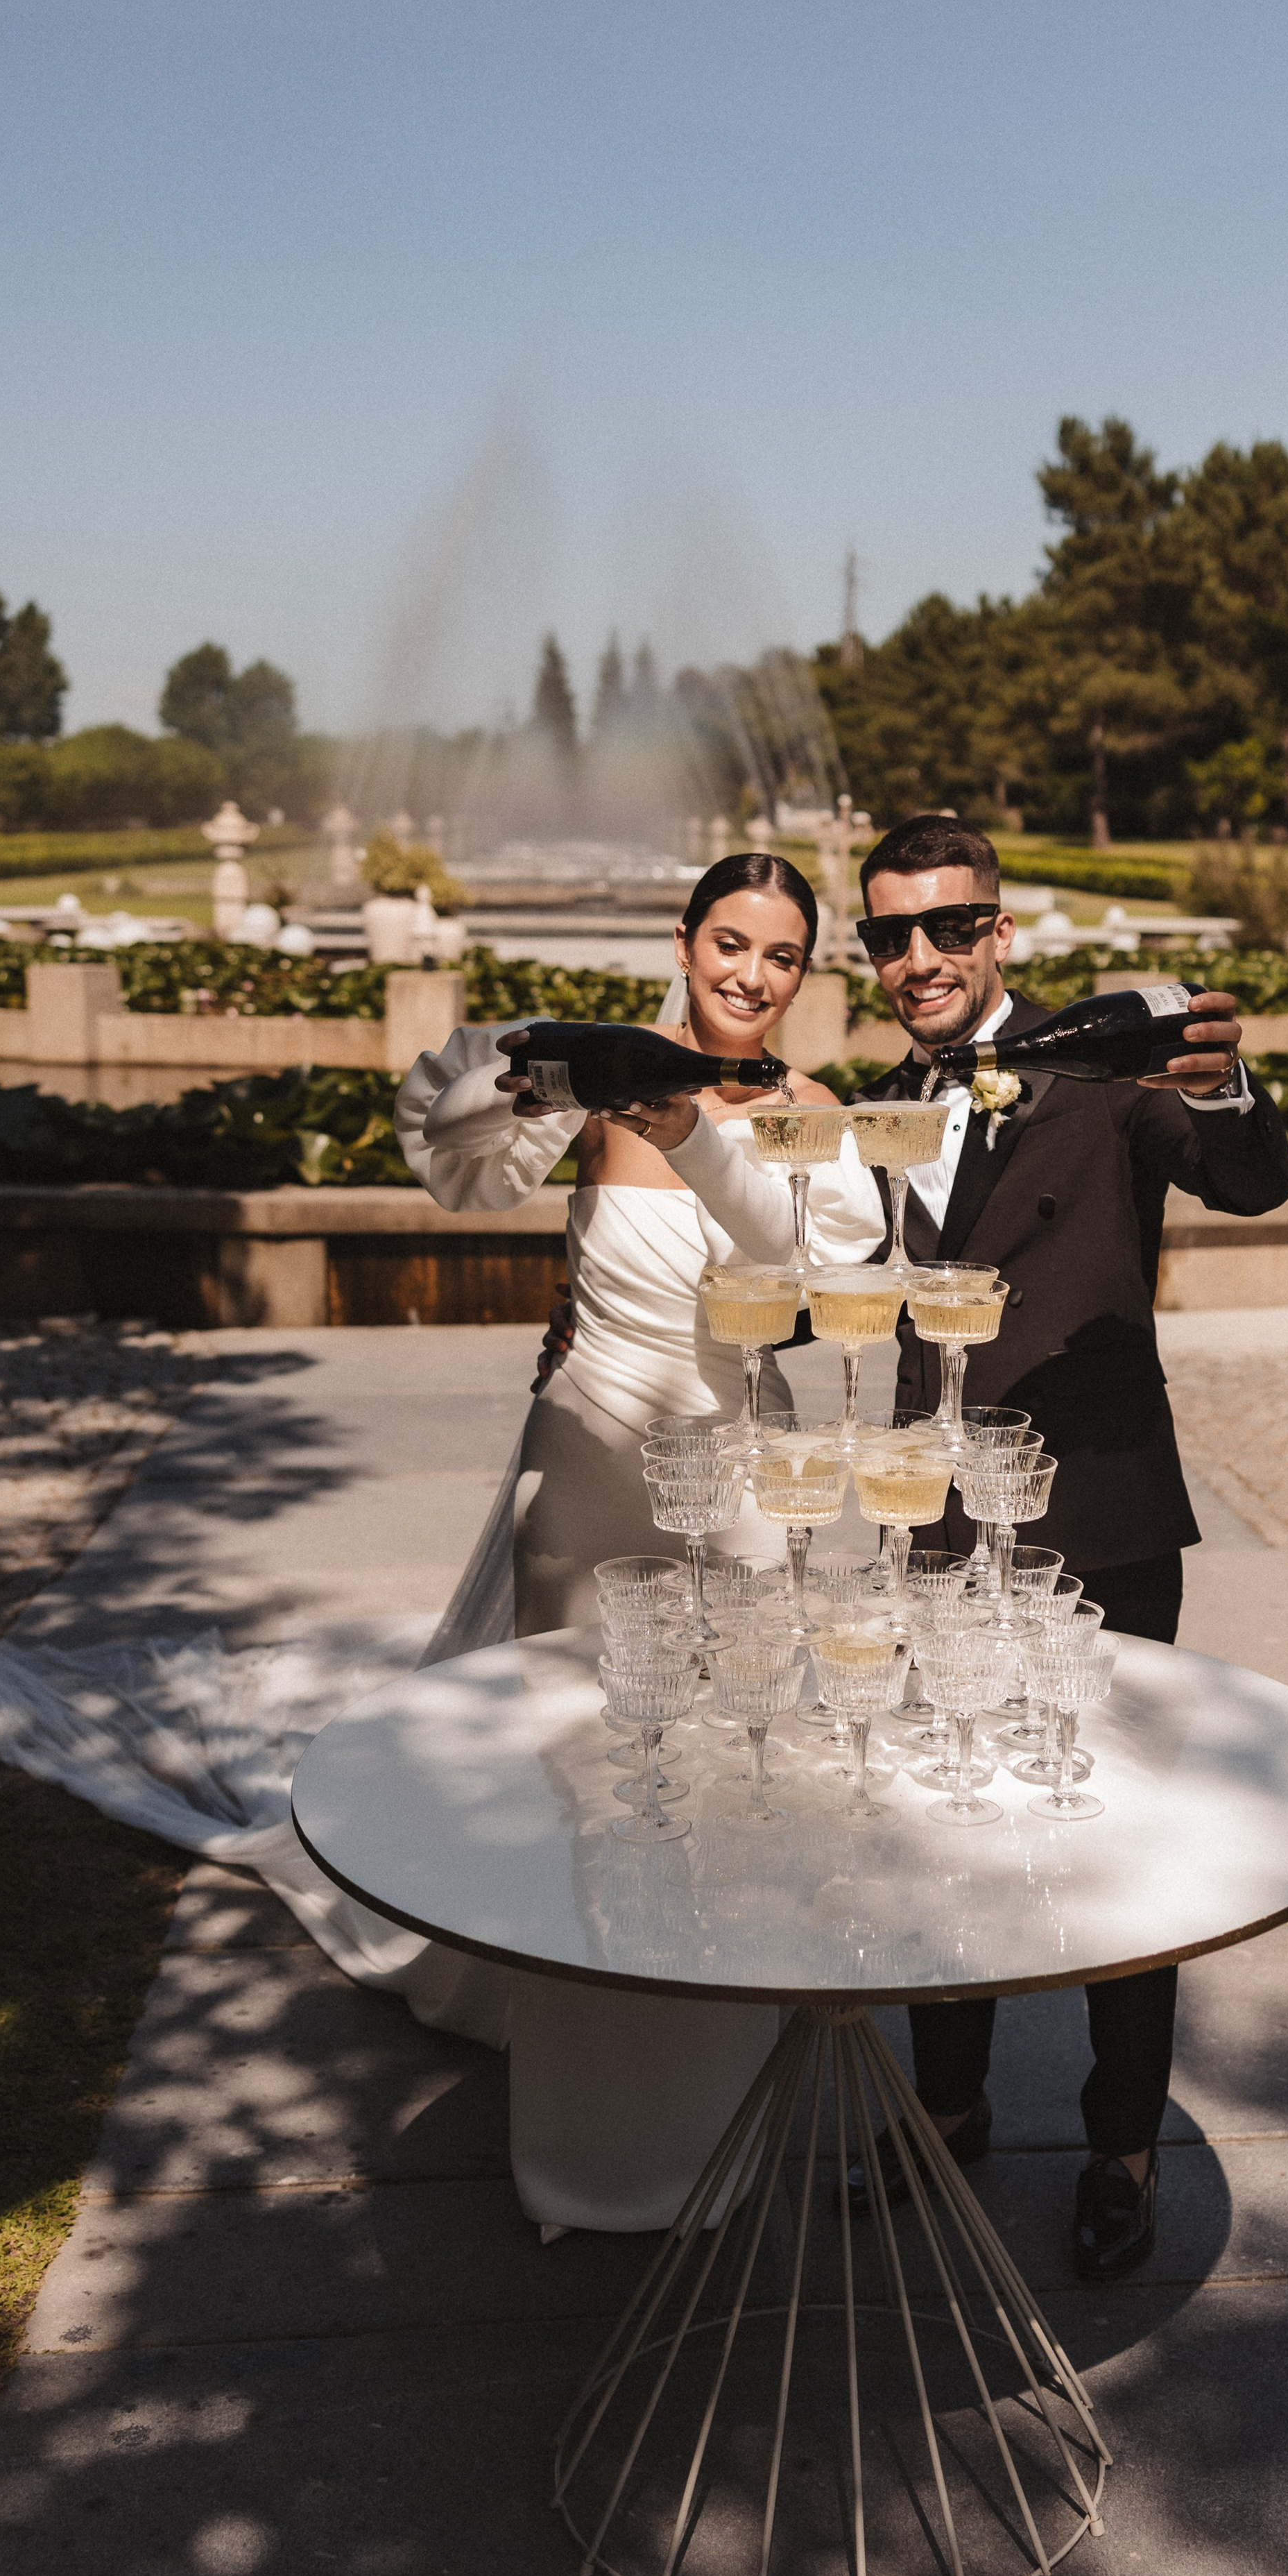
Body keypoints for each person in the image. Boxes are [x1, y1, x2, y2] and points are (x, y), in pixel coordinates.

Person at [393, 852, 884, 2238]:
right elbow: (454, 1161)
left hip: (739, 1466)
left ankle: (713, 2073)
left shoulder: (808, 1112)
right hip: (590, 1455)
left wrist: (692, 1130)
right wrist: (537, 1074)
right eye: (729, 942)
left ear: (804, 975)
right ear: (683, 940)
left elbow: (807, 1265)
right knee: (575, 1760)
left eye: (780, 956)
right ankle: (582, 2109)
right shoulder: (602, 1082)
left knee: (735, 1764)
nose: (751, 975)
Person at [845, 813, 1288, 2278]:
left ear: (999, 930)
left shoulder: (1107, 1072)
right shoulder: (882, 1104)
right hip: (935, 1517)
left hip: (1095, 1513)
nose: (919, 957)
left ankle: (1119, 2146)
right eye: (890, 934)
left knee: (1116, 1832)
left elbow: (1247, 1180)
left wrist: (1221, 1082)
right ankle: (949, 2107)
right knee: (943, 1820)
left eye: (947, 926)